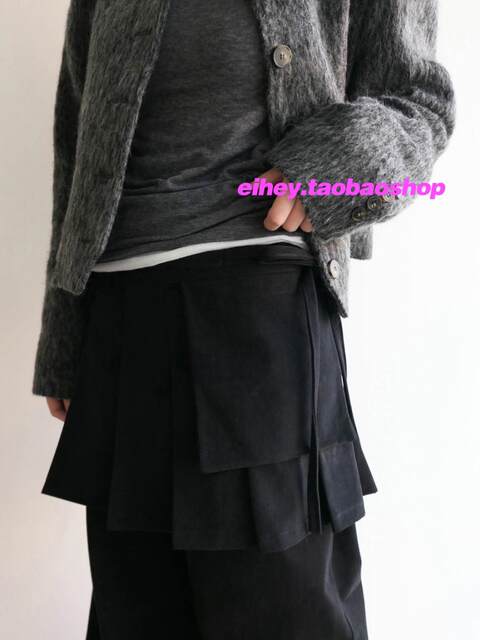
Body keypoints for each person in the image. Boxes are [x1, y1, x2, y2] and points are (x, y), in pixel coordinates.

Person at [32, 1, 455, 638]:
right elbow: (76, 125)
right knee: (136, 612)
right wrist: (65, 336)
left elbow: (419, 100)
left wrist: (329, 171)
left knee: (281, 611)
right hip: (119, 310)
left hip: (256, 298)